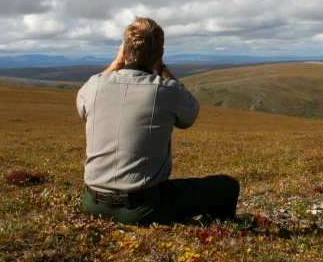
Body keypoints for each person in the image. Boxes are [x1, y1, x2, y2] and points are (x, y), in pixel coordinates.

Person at [77, 16, 240, 226]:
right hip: (145, 207)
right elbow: (189, 116)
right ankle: (215, 229)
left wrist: (116, 64)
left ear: (124, 52)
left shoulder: (93, 86)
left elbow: (82, 104)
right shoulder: (168, 90)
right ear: (159, 54)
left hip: (92, 203)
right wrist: (163, 69)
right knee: (227, 186)